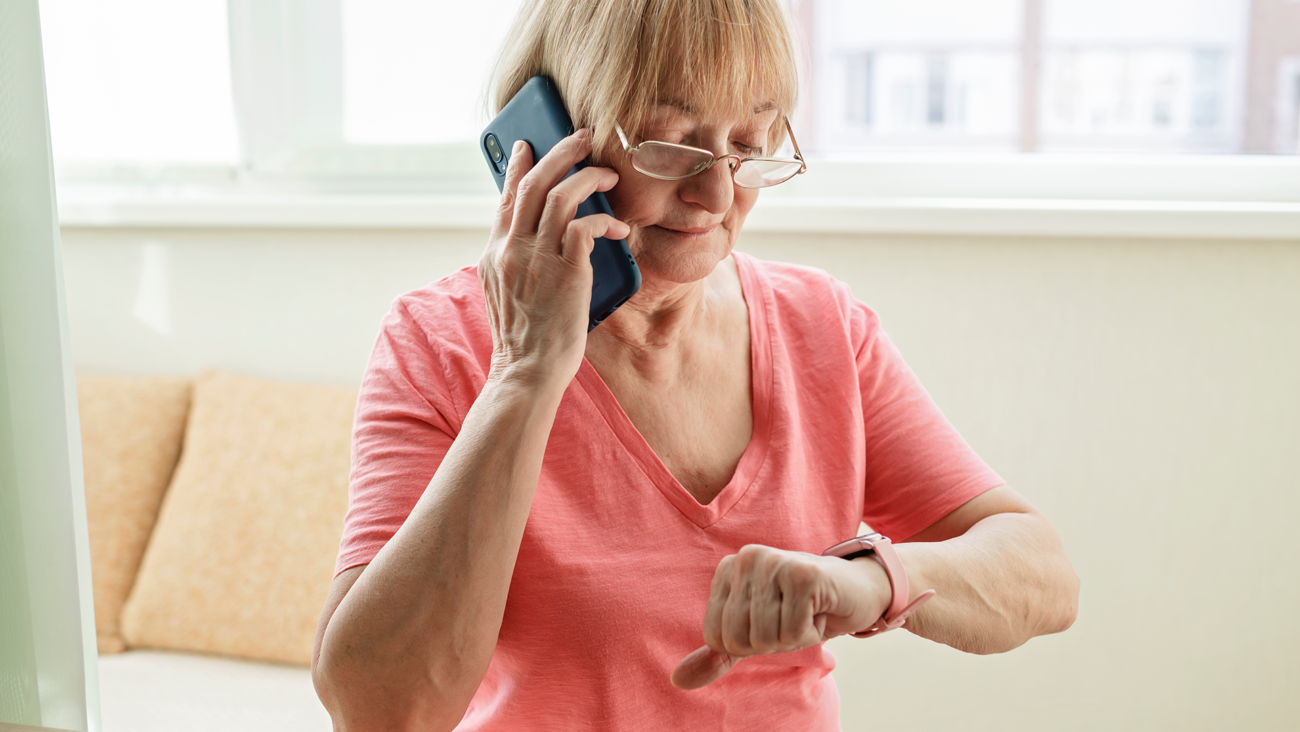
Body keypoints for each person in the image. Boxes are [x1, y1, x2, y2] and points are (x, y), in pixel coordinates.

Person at [310, 1, 1079, 730]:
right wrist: (524, 372)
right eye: (671, 141)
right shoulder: (437, 345)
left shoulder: (822, 328)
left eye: (748, 144)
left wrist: (867, 580)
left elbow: (1042, 575)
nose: (717, 192)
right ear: (548, 143)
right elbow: (379, 711)